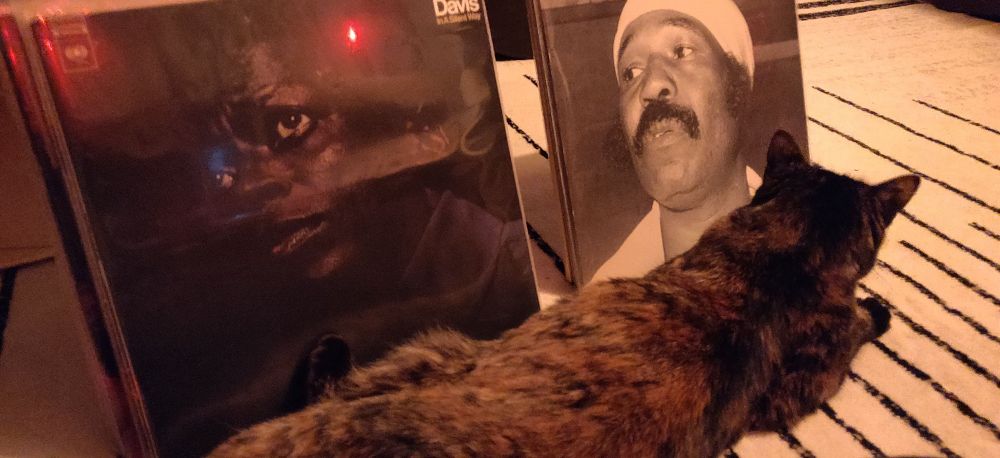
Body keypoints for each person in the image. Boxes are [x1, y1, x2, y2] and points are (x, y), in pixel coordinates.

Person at [594, 0, 760, 281]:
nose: (651, 84)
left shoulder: (823, 254)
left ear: (736, 84)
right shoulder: (600, 301)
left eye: (682, 52)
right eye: (631, 72)